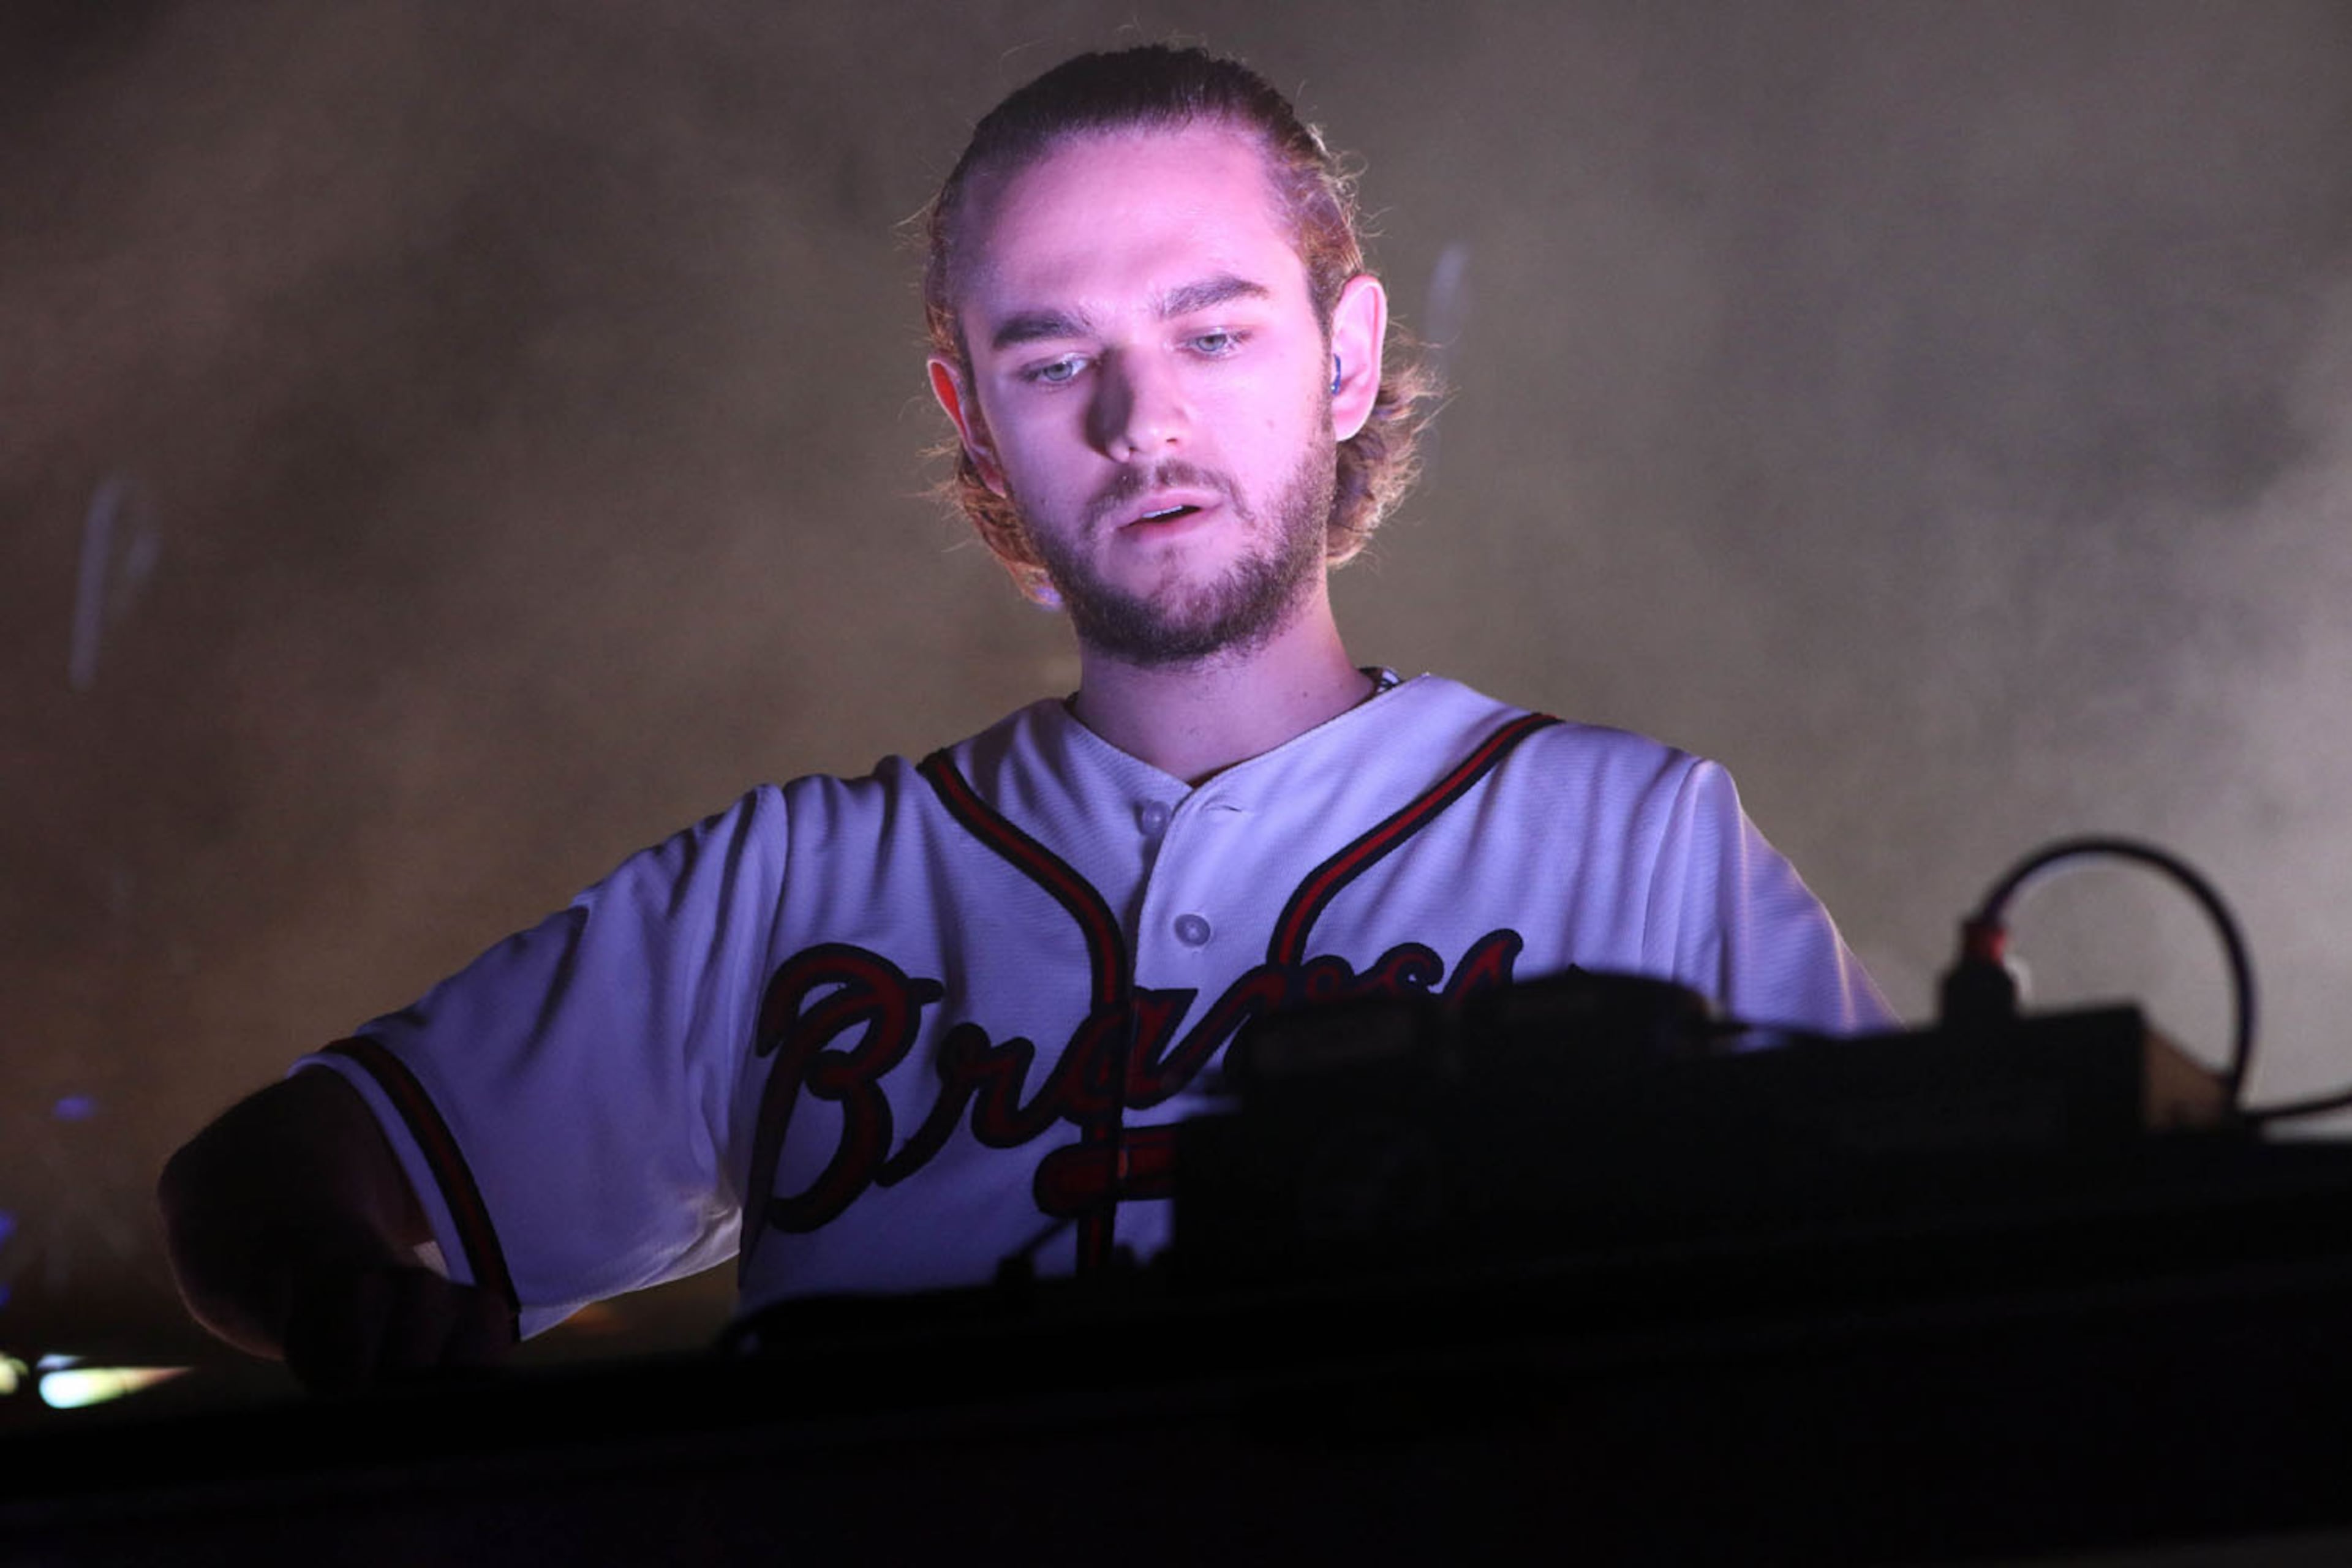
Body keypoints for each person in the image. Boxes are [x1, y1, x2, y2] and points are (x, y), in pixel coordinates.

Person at [158, 45, 1894, 1390]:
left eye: (1213, 333)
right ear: (971, 416)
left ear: (1347, 358)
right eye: (1055, 362)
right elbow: (268, 1180)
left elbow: (1912, 1303)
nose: (1142, 418)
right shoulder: (797, 889)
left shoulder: (1635, 841)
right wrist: (353, 1295)